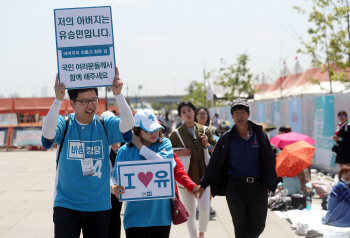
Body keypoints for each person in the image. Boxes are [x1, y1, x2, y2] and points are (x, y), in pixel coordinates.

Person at [41, 68, 134, 238]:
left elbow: (128, 126)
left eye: (94, 100)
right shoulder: (65, 123)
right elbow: (47, 135)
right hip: (66, 205)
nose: (90, 105)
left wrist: (118, 95)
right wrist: (57, 100)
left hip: (99, 206)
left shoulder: (105, 124)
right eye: (84, 101)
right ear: (72, 103)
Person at [194, 98, 277, 238]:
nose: (240, 115)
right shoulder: (227, 138)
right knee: (240, 227)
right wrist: (203, 184)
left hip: (258, 187)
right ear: (232, 115)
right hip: (235, 188)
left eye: (243, 112)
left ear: (248, 114)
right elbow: (214, 162)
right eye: (236, 112)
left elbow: (269, 159)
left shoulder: (259, 134)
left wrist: (270, 182)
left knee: (258, 226)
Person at [111, 109, 174, 238]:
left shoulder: (164, 144)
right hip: (134, 218)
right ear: (137, 130)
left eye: (156, 128)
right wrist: (113, 187)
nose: (155, 133)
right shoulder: (124, 151)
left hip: (161, 217)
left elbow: (162, 164)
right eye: (149, 130)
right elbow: (115, 177)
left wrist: (139, 145)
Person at [169, 101, 216, 238]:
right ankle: (193, 236)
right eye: (183, 112)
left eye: (189, 110)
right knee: (189, 211)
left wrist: (207, 144)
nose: (187, 114)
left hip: (203, 177)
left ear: (194, 112)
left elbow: (216, 150)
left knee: (204, 208)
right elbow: (166, 152)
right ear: (180, 115)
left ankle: (202, 233)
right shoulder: (176, 134)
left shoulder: (206, 130)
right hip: (185, 179)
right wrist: (179, 152)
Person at [101, 111, 123, 238]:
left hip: (117, 188)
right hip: (102, 189)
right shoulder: (99, 141)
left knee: (115, 217)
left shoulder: (122, 141)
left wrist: (116, 149)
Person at [195, 107, 218, 214]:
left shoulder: (212, 130)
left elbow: (216, 148)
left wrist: (208, 145)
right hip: (196, 161)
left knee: (210, 183)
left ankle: (208, 204)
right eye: (200, 113)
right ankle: (199, 204)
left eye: (204, 113)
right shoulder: (192, 129)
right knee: (197, 182)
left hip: (211, 161)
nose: (202, 115)